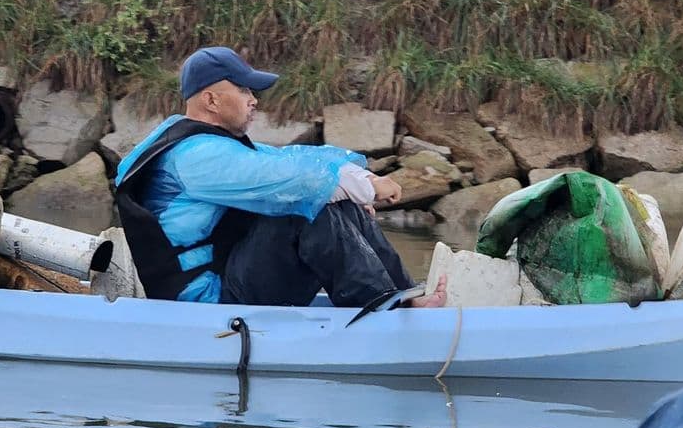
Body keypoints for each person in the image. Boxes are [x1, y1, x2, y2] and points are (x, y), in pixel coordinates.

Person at [115, 46, 447, 308]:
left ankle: (402, 298)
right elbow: (292, 183)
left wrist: (357, 179)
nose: (253, 99)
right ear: (211, 99)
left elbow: (292, 158)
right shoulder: (195, 156)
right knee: (305, 207)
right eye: (244, 89)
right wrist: (364, 186)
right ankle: (387, 310)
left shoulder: (210, 146)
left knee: (332, 199)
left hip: (228, 279)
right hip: (205, 301)